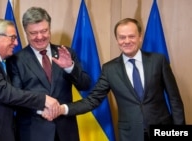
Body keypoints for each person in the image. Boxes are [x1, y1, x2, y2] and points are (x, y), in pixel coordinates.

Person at [43, 18, 185, 141]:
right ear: (117, 39)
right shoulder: (110, 69)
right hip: (130, 134)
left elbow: (175, 100)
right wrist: (62, 109)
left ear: (140, 37)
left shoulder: (158, 61)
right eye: (122, 37)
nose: (127, 41)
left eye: (131, 36)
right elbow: (92, 100)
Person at [6, 7, 91, 141]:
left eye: (44, 31)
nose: (40, 37)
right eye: (33, 33)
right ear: (25, 33)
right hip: (33, 133)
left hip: (66, 131)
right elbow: (15, 98)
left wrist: (70, 68)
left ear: (49, 29)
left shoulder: (66, 53)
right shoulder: (15, 60)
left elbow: (85, 85)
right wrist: (42, 109)